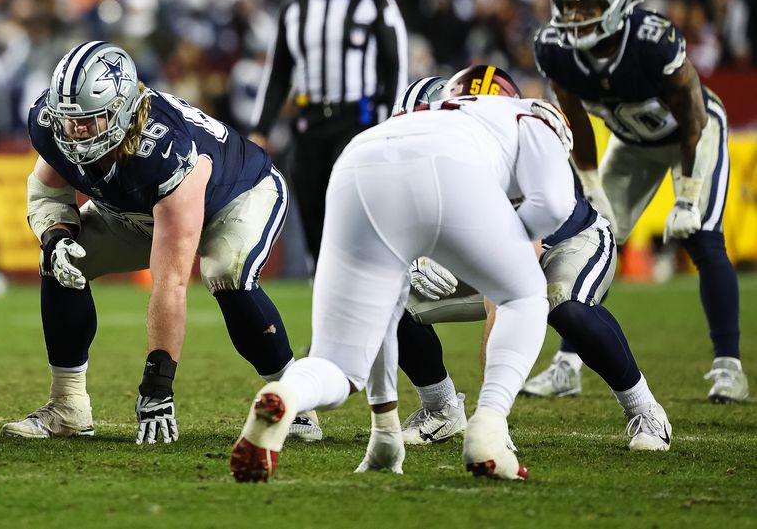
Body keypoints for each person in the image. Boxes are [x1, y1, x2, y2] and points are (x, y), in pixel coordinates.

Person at [231, 65, 562, 483]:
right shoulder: (526, 114)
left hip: (357, 162)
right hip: (451, 172)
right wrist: (491, 244)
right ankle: (490, 428)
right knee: (525, 296)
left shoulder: (409, 121)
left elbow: (390, 305)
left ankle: (289, 394)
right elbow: (552, 207)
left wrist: (385, 428)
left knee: (338, 361)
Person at [4, 41, 322, 446]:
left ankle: (294, 400)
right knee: (63, 262)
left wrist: (158, 388)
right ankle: (67, 406)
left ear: (121, 112)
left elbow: (170, 283)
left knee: (226, 273)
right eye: (70, 120)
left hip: (236, 196)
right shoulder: (54, 124)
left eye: (91, 120)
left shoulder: (165, 152)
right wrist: (56, 238)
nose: (76, 131)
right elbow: (47, 194)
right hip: (141, 210)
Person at [390, 78, 672, 452]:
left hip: (571, 242)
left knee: (564, 306)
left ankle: (645, 408)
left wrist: (493, 417)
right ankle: (440, 409)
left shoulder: (513, 155)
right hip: (494, 250)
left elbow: (508, 287)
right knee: (390, 301)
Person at [533, 0, 746, 403]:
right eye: (566, 7)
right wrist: (591, 188)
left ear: (614, 3)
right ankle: (568, 365)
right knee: (591, 240)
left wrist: (687, 196)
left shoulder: (651, 38)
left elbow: (691, 114)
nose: (573, 18)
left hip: (694, 132)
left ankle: (729, 366)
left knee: (703, 239)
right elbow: (575, 120)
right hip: (632, 143)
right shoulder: (554, 49)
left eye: (585, 8)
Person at [249, 0, 407, 264]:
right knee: (310, 208)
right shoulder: (294, 7)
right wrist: (261, 128)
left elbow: (395, 65)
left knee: (346, 202)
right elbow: (278, 72)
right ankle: (321, 278)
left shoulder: (374, 1)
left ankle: (357, 276)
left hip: (357, 120)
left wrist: (394, 122)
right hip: (308, 120)